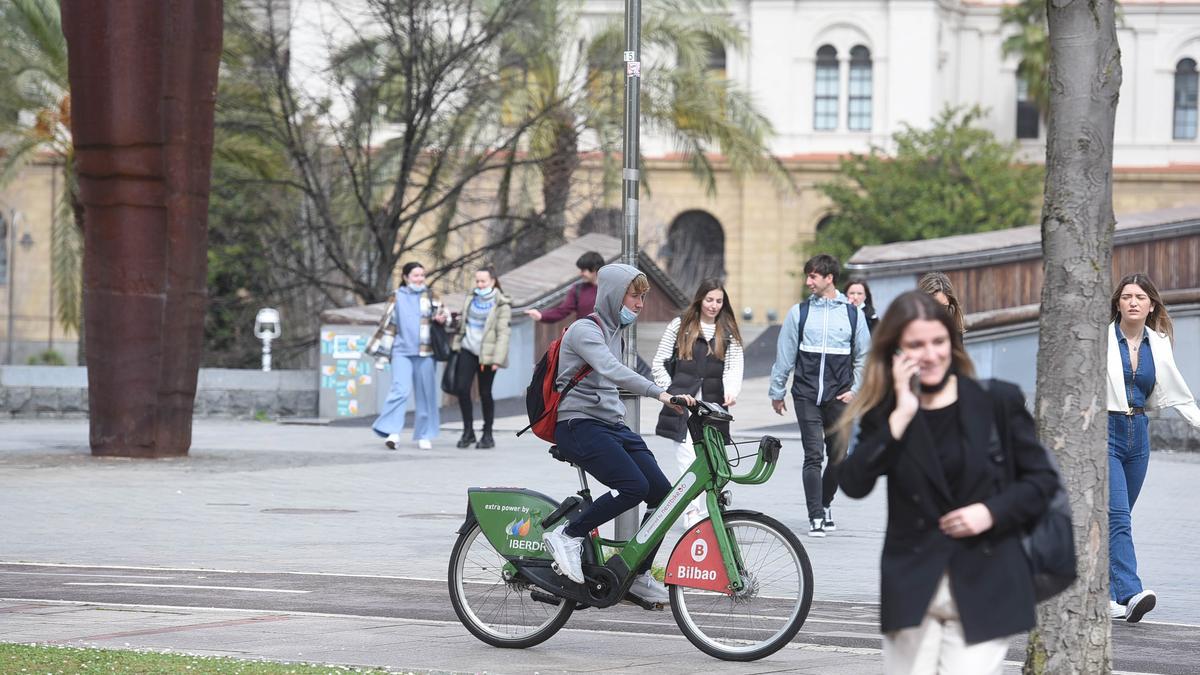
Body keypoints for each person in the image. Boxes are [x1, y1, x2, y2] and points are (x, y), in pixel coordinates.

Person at [836, 290, 1058, 673]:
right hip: (913, 583)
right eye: (916, 344)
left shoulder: (996, 402)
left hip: (985, 575)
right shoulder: (886, 413)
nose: (931, 353)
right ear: (896, 351)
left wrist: (990, 512)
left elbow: (1041, 482)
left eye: (938, 341)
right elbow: (854, 483)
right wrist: (901, 416)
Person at [541, 263, 695, 605]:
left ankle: (637, 573)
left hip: (612, 426)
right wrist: (659, 393)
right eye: (634, 295)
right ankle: (568, 533)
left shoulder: (614, 332)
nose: (639, 304)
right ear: (613, 294)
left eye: (642, 297)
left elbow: (621, 374)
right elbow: (612, 370)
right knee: (633, 487)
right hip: (577, 424)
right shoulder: (585, 330)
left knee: (664, 496)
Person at [1105, 273, 1200, 623]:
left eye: (1140, 297)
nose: (1133, 302)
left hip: (1138, 432)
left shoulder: (1157, 342)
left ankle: (1101, 593)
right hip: (1106, 428)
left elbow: (1179, 392)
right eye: (1126, 296)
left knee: (1115, 519)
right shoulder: (1101, 339)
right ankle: (1130, 592)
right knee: (1117, 517)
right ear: (1118, 303)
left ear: (1151, 305)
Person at [769, 254, 870, 537]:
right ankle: (815, 515)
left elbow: (865, 357)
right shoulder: (799, 313)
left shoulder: (853, 314)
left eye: (813, 276)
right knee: (813, 455)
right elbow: (785, 355)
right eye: (807, 275)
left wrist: (855, 390)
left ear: (829, 278)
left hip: (840, 398)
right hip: (806, 396)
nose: (808, 281)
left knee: (839, 456)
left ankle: (825, 504)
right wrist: (777, 392)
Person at [651, 279, 744, 526]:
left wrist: (732, 390)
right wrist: (670, 391)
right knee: (688, 460)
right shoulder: (680, 326)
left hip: (712, 409)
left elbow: (735, 365)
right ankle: (691, 512)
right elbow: (658, 361)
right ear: (700, 299)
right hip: (683, 407)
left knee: (712, 460)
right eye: (709, 299)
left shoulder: (728, 331)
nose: (714, 305)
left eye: (719, 301)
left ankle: (707, 511)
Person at [370, 262, 449, 450]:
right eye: (415, 275)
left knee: (426, 394)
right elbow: (386, 324)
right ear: (406, 277)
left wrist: (442, 318)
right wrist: (381, 354)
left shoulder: (431, 295)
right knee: (399, 390)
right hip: (401, 352)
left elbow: (444, 315)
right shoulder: (396, 297)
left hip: (426, 352)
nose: (420, 279)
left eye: (422, 275)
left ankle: (424, 434)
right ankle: (392, 432)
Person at [450, 265, 512, 450]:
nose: (480, 284)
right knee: (462, 389)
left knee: (485, 393)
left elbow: (503, 333)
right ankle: (468, 431)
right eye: (477, 281)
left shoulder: (501, 303)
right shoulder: (471, 298)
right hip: (468, 349)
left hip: (488, 355)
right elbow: (464, 324)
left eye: (483, 281)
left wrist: (497, 359)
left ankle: (487, 434)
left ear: (492, 281)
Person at [525, 251, 604, 323]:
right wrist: (541, 316)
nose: (580, 273)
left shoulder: (610, 288)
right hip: (586, 334)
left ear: (594, 269)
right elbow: (562, 311)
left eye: (583, 270)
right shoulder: (577, 289)